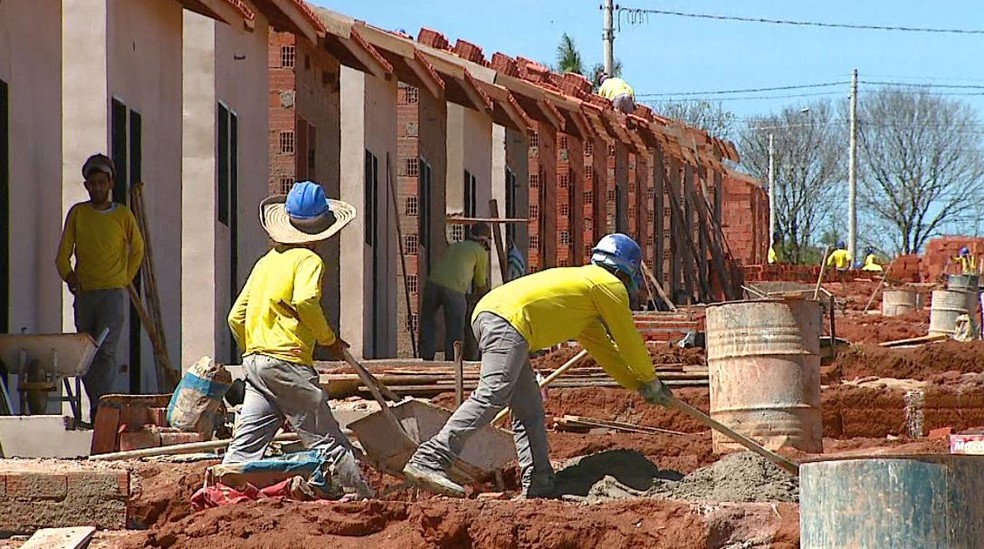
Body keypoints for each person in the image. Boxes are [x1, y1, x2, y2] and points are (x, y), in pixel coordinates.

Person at [402, 233, 672, 498]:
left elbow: (609, 354)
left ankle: (540, 480)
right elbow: (628, 340)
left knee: (528, 408)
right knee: (492, 394)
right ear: (626, 272)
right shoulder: (608, 286)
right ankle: (430, 458)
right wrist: (651, 379)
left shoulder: (585, 299)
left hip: (497, 314)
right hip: (508, 321)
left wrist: (637, 384)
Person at [223, 181, 373, 499]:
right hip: (287, 361)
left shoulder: (266, 262)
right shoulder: (309, 261)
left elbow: (236, 316)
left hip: (255, 362)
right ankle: (358, 496)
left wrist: (254, 352)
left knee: (247, 442)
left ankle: (223, 491)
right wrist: (328, 339)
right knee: (324, 434)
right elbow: (306, 301)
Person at [56, 154, 144, 423]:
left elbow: (137, 249)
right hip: (85, 296)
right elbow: (62, 255)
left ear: (110, 183)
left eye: (101, 182)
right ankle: (96, 406)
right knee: (86, 355)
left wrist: (123, 278)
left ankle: (101, 411)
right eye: (91, 183)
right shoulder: (78, 213)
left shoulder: (122, 214)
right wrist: (70, 277)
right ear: (86, 186)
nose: (96, 188)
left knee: (106, 353)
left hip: (112, 295)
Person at [419, 223, 491, 360]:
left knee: (428, 320)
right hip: (455, 290)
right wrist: (486, 301)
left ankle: (426, 357)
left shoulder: (456, 245)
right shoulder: (480, 252)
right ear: (483, 240)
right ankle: (452, 361)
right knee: (455, 328)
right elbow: (480, 283)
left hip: (433, 283)